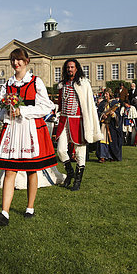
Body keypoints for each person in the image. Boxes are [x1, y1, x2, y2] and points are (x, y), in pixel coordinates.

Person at [0, 48, 57, 226]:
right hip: (13, 129)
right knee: (10, 169)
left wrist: (23, 110)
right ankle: (4, 213)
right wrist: (4, 111)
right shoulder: (7, 85)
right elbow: (0, 107)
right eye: (13, 60)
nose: (16, 63)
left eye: (19, 60)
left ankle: (30, 207)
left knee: (31, 170)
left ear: (26, 61)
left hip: (29, 129)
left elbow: (46, 106)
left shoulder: (36, 82)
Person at [55, 58, 103, 191]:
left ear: (76, 68)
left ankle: (78, 180)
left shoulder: (83, 83)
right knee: (60, 150)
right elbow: (59, 103)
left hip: (78, 121)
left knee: (80, 151)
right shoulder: (62, 84)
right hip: (64, 120)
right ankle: (70, 173)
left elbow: (88, 104)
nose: (69, 69)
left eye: (72, 67)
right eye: (68, 67)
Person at [96, 88, 123, 162]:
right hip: (104, 124)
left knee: (111, 141)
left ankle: (111, 156)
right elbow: (98, 113)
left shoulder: (114, 103)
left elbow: (118, 115)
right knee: (102, 140)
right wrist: (102, 115)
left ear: (110, 94)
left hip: (112, 125)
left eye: (106, 94)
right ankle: (102, 156)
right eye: (104, 94)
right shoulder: (102, 103)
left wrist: (114, 115)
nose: (105, 95)